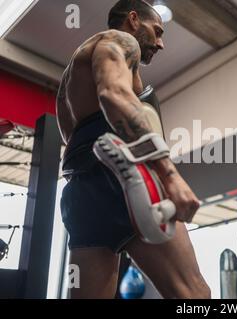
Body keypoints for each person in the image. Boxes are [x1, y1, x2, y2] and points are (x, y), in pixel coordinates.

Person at [56, 0, 210, 299]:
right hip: (124, 176)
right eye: (157, 31)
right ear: (134, 19)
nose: (161, 43)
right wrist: (169, 174)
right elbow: (113, 94)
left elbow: (72, 138)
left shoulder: (68, 81)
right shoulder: (120, 40)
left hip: (81, 195)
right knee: (194, 296)